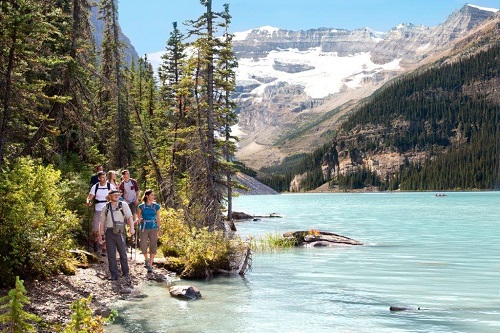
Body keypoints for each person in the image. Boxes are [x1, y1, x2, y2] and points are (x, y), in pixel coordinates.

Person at [100, 189, 135, 282]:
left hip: (120, 232)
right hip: (109, 232)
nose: (116, 196)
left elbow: (129, 217)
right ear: (110, 196)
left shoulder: (123, 205)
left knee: (123, 253)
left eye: (118, 194)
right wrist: (101, 234)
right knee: (111, 254)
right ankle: (114, 274)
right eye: (114, 195)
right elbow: (102, 221)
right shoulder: (106, 207)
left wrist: (132, 228)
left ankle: (126, 273)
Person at [87, 171, 116, 254]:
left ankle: (105, 247)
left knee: (108, 229)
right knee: (96, 229)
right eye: (102, 177)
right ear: (99, 178)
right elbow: (89, 197)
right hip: (98, 209)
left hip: (109, 209)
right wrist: (88, 201)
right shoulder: (95, 187)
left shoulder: (110, 186)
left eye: (104, 177)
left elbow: (116, 196)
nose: (104, 179)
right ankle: (96, 242)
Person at [137, 189, 160, 273]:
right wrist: (138, 220)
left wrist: (159, 228)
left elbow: (158, 218)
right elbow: (139, 218)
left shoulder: (156, 206)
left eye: (153, 195)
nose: (153, 196)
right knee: (143, 245)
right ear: (147, 196)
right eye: (152, 195)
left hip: (153, 227)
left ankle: (150, 265)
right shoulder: (141, 206)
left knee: (153, 245)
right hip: (144, 227)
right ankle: (146, 259)